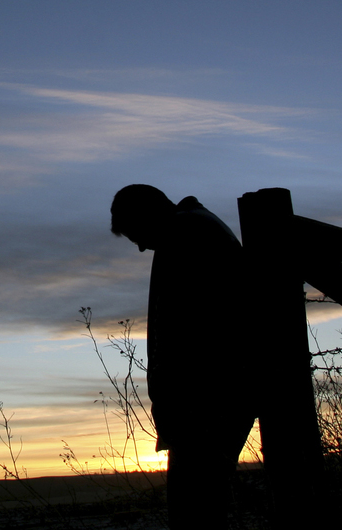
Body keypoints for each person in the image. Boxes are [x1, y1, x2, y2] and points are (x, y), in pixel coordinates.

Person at [110, 184, 257, 529]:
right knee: (202, 508)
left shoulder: (186, 233)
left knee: (195, 512)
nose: (143, 246)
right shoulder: (193, 228)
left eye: (138, 235)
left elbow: (183, 331)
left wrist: (179, 408)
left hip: (206, 406)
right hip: (209, 403)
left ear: (149, 214)